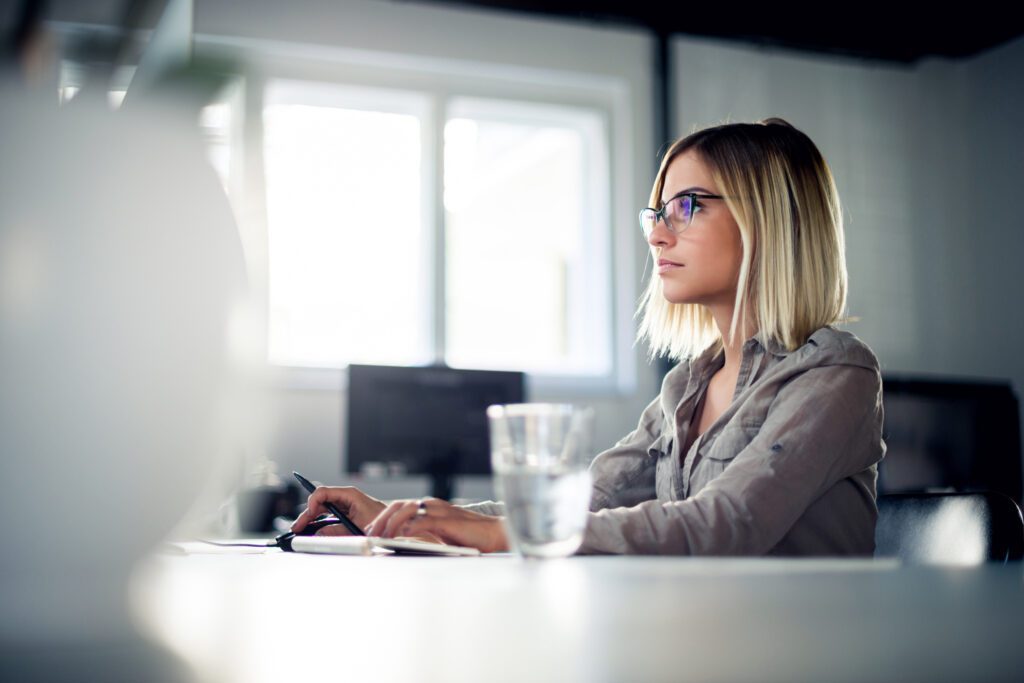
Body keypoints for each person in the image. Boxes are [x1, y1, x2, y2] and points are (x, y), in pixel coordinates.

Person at [291, 117, 886, 556]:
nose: (657, 235)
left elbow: (726, 522)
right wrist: (410, 517)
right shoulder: (686, 386)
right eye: (658, 213)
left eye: (687, 206)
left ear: (769, 217)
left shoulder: (837, 376)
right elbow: (580, 504)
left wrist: (500, 533)